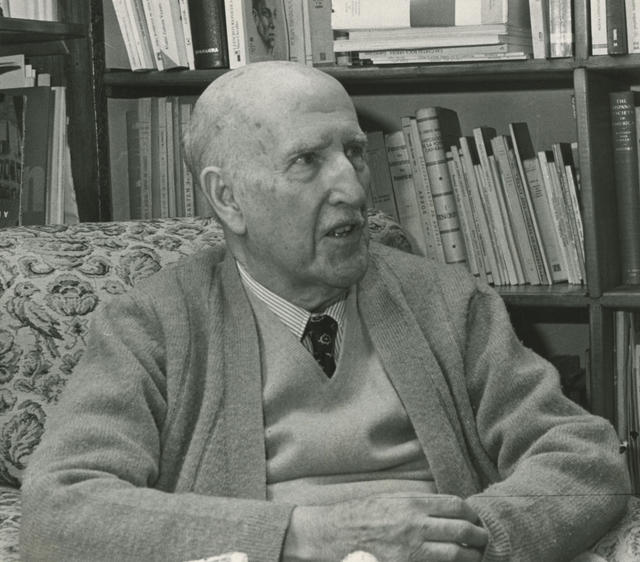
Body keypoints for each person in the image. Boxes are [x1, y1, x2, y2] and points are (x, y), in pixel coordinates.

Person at [21, 61, 630, 562]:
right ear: (228, 198)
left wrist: (465, 540)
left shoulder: (448, 302)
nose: (355, 189)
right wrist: (305, 536)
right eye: (308, 160)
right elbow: (60, 509)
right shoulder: (151, 325)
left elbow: (584, 460)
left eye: (354, 152)